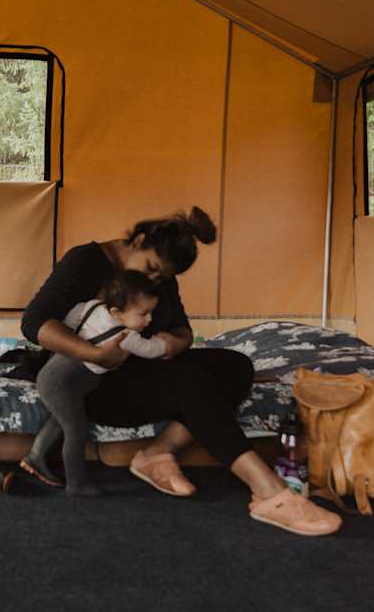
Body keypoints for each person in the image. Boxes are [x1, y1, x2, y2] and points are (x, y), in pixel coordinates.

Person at [20, 206, 341, 536]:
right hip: (87, 383)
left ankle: (158, 454)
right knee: (191, 382)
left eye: (163, 277)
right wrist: (96, 354)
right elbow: (34, 323)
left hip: (141, 370)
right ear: (139, 240)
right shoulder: (85, 261)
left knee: (235, 366)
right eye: (151, 268)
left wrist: (176, 344)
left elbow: (182, 330)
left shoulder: (162, 279)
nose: (153, 280)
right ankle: (269, 490)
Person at [20, 270, 168, 496]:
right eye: (144, 314)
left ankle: (35, 457)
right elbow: (152, 351)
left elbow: (68, 320)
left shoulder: (91, 307)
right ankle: (76, 484)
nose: (150, 320)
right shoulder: (127, 337)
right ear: (116, 312)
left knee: (61, 418)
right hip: (63, 382)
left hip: (53, 373)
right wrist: (167, 343)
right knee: (76, 429)